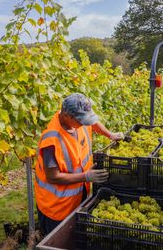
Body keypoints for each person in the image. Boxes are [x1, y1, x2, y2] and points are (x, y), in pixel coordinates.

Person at [34, 93, 124, 236]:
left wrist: (110, 134)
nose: (85, 124)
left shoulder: (77, 120)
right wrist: (86, 176)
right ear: (67, 116)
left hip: (78, 197)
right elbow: (52, 177)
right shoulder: (51, 141)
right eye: (82, 120)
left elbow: (93, 123)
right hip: (57, 208)